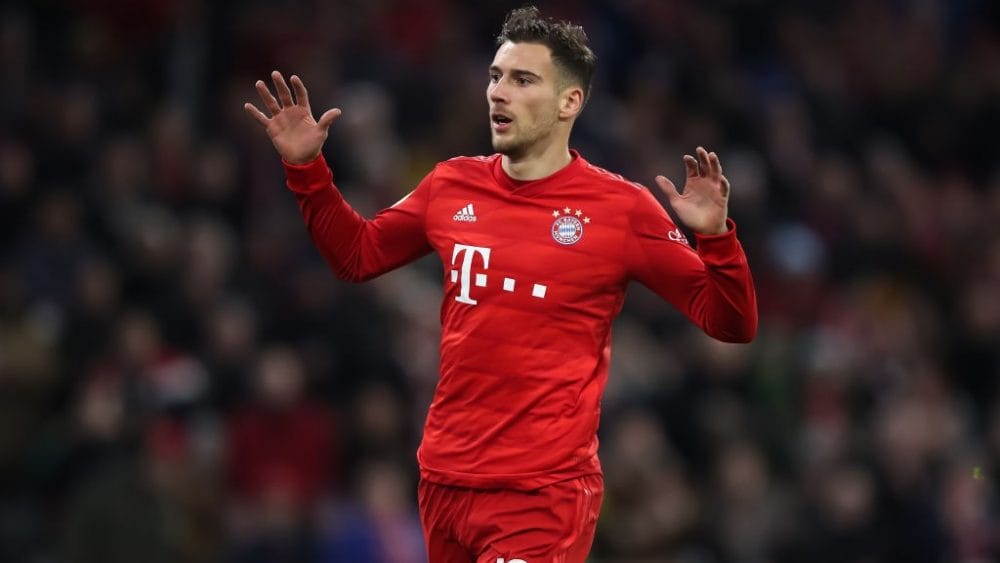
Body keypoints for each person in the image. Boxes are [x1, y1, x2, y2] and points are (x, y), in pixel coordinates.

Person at [244, 6, 757, 562]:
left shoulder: (621, 208)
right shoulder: (451, 184)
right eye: (495, 77)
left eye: (522, 79)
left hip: (541, 494)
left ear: (570, 102)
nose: (498, 93)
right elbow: (358, 256)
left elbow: (729, 323)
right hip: (445, 480)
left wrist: (717, 239)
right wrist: (308, 172)